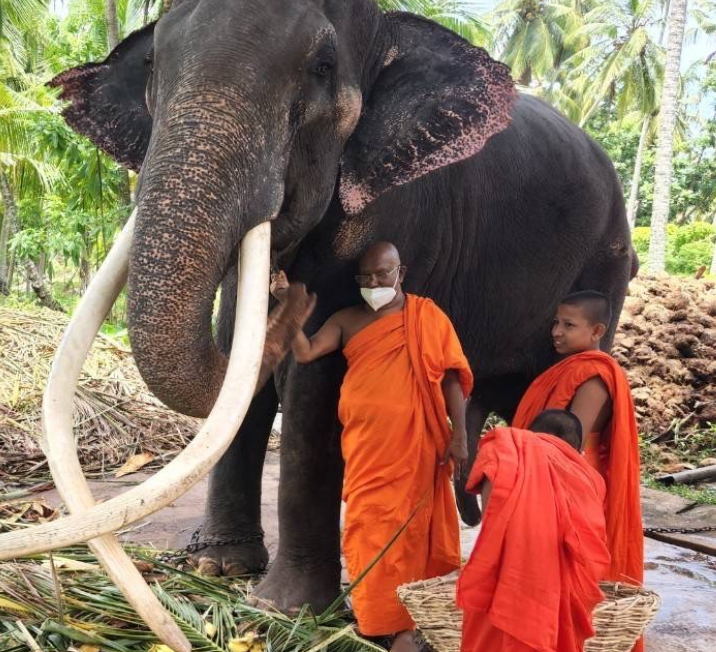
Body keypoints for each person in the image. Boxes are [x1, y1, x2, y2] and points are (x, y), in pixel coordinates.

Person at [273, 241, 470, 652]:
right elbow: (306, 353)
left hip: (419, 445)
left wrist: (460, 435)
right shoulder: (347, 319)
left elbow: (452, 378)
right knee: (368, 528)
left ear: (403, 271)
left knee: (412, 533)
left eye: (383, 274)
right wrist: (288, 311)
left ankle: (406, 621)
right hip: (366, 448)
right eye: (365, 278)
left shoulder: (426, 317)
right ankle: (377, 617)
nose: (374, 283)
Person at [510, 291, 644, 651]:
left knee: (569, 570)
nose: (556, 331)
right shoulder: (571, 367)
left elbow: (568, 445)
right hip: (560, 477)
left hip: (574, 483)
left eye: (569, 325)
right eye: (556, 322)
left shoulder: (594, 376)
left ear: (598, 330)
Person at [457, 409, 611, 652]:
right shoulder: (589, 476)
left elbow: (492, 521)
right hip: (562, 591)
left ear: (530, 433)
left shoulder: (510, 448)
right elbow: (589, 546)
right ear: (576, 451)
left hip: (510, 577)